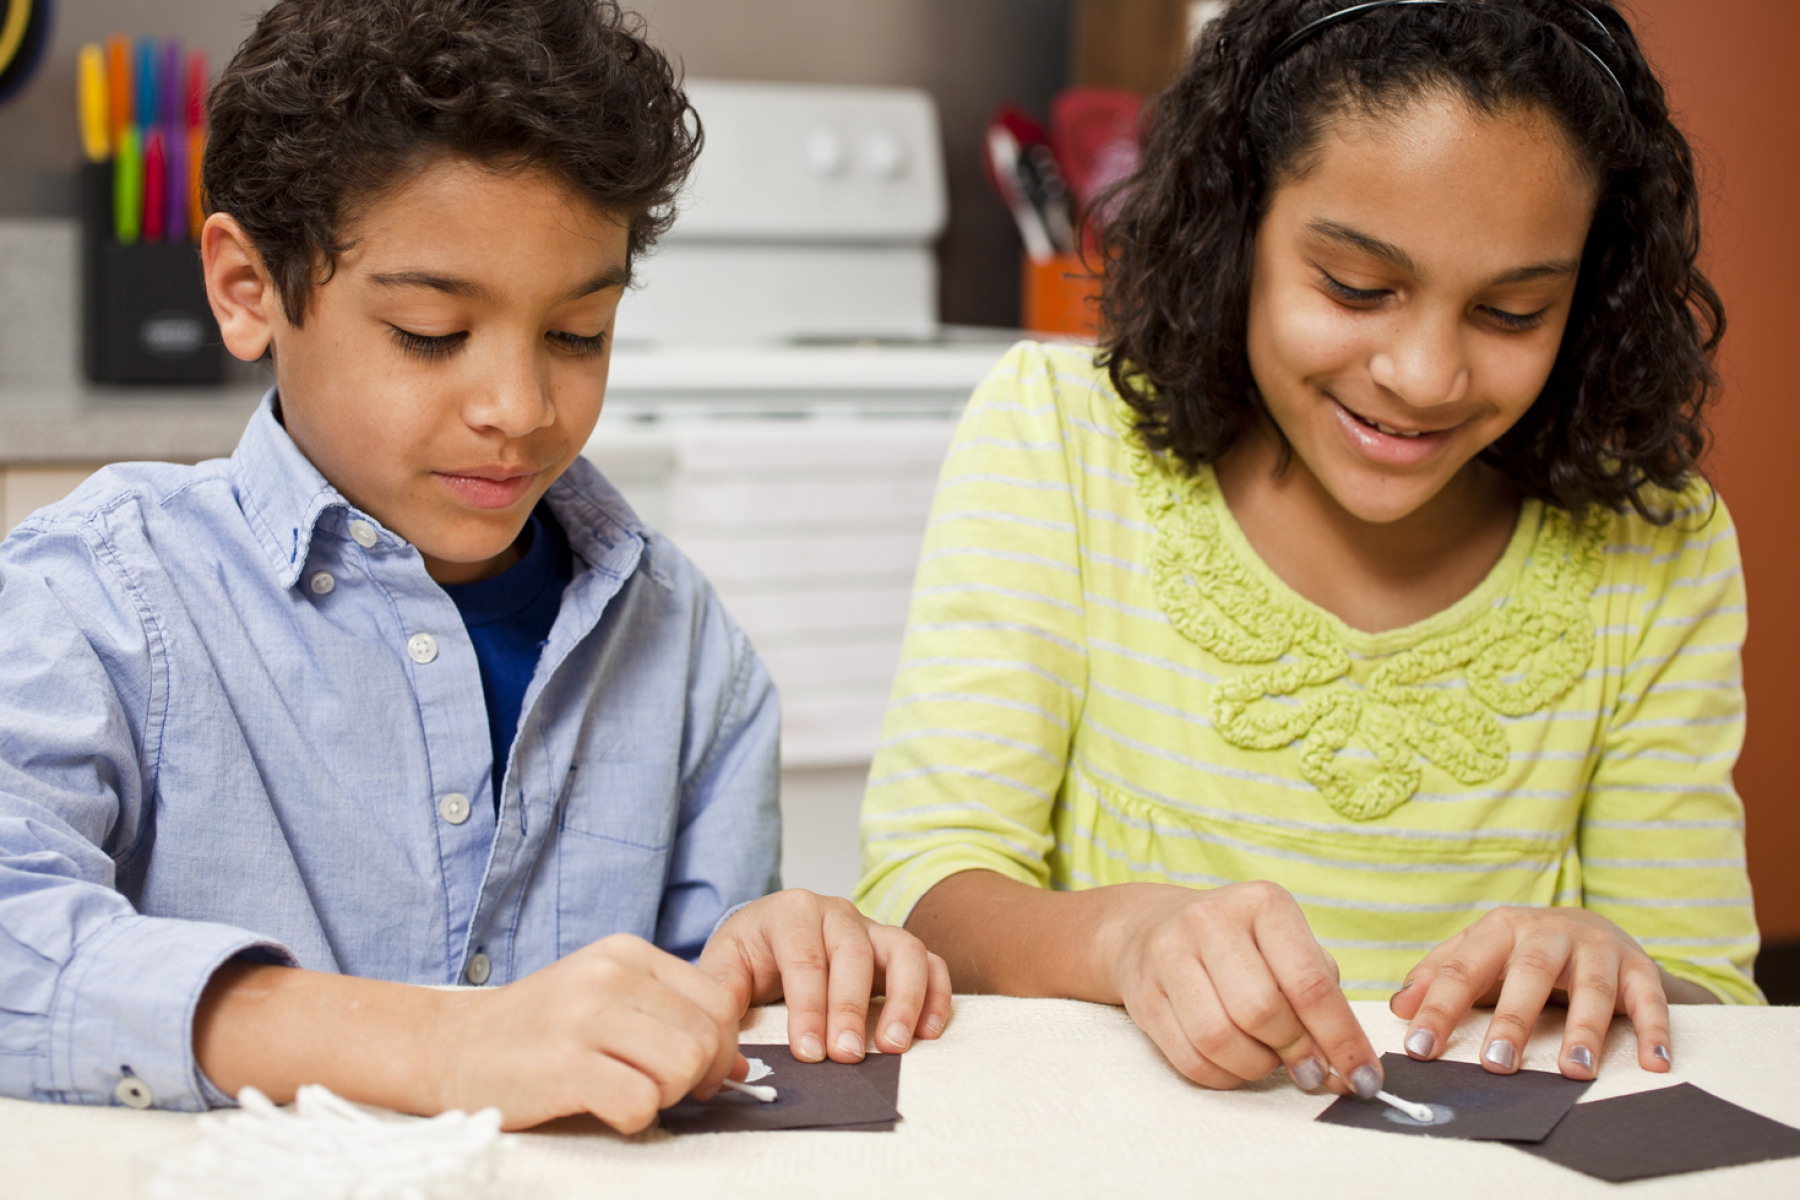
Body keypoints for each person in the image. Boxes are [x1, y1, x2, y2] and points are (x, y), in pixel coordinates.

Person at [0, 0, 948, 1132]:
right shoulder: (96, 597)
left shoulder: (683, 642)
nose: (521, 408)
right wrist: (447, 1045)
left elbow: (696, 1026)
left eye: (577, 334)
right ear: (249, 290)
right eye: (431, 334)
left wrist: (761, 960)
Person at [856, 0, 1759, 1104]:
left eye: (1514, 311)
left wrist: (1616, 966)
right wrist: (1127, 938)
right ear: (1238, 229)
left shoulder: (1654, 551)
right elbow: (924, 890)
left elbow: (1713, 993)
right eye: (1355, 288)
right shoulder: (1060, 441)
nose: (1424, 375)